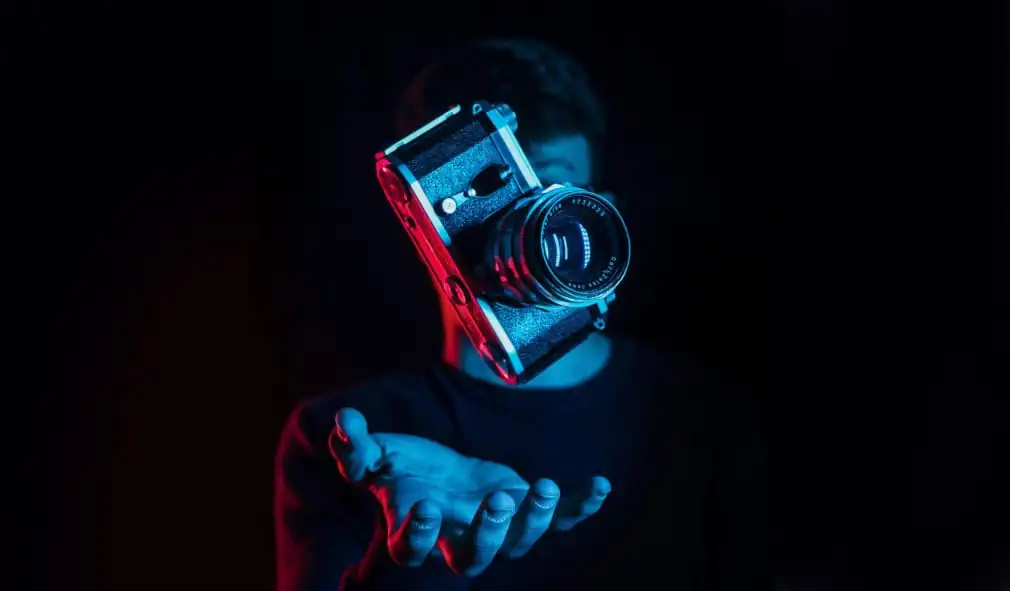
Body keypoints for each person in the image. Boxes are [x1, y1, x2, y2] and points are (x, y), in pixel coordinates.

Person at [275, 38, 769, 590]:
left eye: (556, 189)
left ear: (605, 208)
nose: (539, 225)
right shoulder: (349, 439)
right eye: (493, 189)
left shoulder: (699, 416)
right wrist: (413, 557)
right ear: (416, 219)